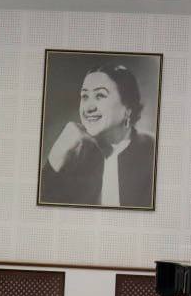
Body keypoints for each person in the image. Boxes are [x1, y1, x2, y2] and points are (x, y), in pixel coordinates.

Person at [39, 62, 155, 207]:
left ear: (128, 109)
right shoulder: (74, 155)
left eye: (100, 95)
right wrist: (55, 158)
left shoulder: (152, 152)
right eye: (85, 96)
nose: (89, 108)